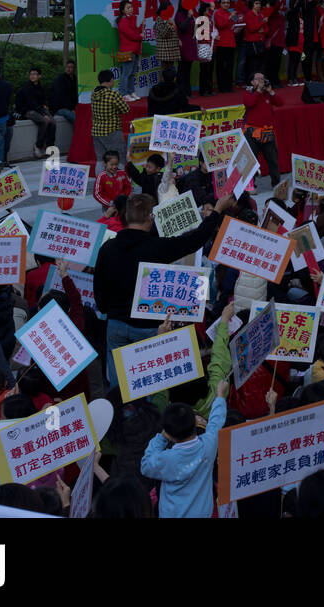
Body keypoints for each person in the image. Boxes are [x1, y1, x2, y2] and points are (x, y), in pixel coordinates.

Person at [94, 192, 234, 387]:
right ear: (150, 218)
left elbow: (99, 292)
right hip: (149, 328)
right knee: (150, 387)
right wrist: (217, 210)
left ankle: (122, 415)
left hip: (116, 325)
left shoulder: (107, 248)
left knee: (120, 390)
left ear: (126, 216)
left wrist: (111, 311)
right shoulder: (156, 247)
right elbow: (194, 240)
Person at [140, 382, 229, 518]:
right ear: (195, 422)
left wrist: (161, 438)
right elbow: (216, 421)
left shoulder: (165, 459)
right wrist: (220, 396)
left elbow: (145, 466)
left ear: (170, 434)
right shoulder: (208, 446)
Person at [242, 71, 282, 186]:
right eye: (258, 79)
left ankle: (276, 184)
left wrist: (271, 91)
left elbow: (280, 103)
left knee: (272, 160)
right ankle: (250, 185)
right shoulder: (248, 93)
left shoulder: (267, 94)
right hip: (252, 133)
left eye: (263, 79)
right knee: (251, 161)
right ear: (252, 82)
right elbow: (249, 103)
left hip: (267, 132)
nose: (261, 81)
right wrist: (258, 91)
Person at [14, 66, 56, 158]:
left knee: (53, 122)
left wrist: (45, 105)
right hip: (27, 110)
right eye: (31, 74)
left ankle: (49, 147)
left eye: (34, 74)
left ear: (39, 76)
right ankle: (38, 146)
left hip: (38, 109)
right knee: (44, 121)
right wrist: (43, 114)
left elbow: (43, 99)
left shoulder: (40, 87)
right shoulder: (27, 88)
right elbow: (31, 103)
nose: (32, 76)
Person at [90, 69, 130, 163]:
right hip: (112, 131)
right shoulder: (113, 94)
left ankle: (101, 177)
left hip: (96, 132)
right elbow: (126, 110)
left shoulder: (93, 93)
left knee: (101, 160)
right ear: (111, 80)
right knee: (119, 158)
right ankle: (119, 178)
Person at [115, 0, 145, 99]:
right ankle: (124, 94)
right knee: (126, 73)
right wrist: (140, 36)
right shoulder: (123, 22)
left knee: (132, 73)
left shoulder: (130, 20)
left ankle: (131, 91)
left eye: (131, 7)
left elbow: (136, 32)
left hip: (134, 51)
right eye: (128, 7)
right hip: (127, 51)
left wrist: (142, 26)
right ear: (123, 10)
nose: (131, 9)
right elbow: (132, 35)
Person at [214, 0, 237, 94]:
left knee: (230, 66)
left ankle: (228, 86)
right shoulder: (218, 13)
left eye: (228, 2)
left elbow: (231, 27)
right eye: (224, 2)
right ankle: (221, 86)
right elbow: (220, 25)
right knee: (221, 66)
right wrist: (229, 17)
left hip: (231, 43)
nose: (226, 4)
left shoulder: (228, 13)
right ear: (220, 3)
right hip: (222, 43)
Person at [174, 0, 198, 94]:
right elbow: (182, 28)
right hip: (183, 44)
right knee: (182, 69)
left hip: (191, 43)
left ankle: (188, 91)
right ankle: (180, 91)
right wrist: (188, 17)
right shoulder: (179, 15)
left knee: (188, 69)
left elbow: (193, 26)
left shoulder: (190, 14)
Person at [194, 1, 215, 97]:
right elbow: (200, 34)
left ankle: (209, 89)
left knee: (209, 68)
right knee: (204, 69)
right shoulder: (201, 19)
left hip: (209, 44)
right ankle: (203, 90)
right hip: (203, 44)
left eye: (209, 9)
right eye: (207, 9)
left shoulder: (209, 19)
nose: (208, 11)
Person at [49, 59, 78, 125]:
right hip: (59, 108)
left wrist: (75, 108)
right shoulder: (61, 79)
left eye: (71, 67)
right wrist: (71, 109)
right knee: (75, 118)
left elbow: (75, 95)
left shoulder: (75, 79)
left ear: (74, 69)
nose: (68, 69)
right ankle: (82, 133)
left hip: (71, 107)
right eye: (67, 67)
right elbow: (61, 96)